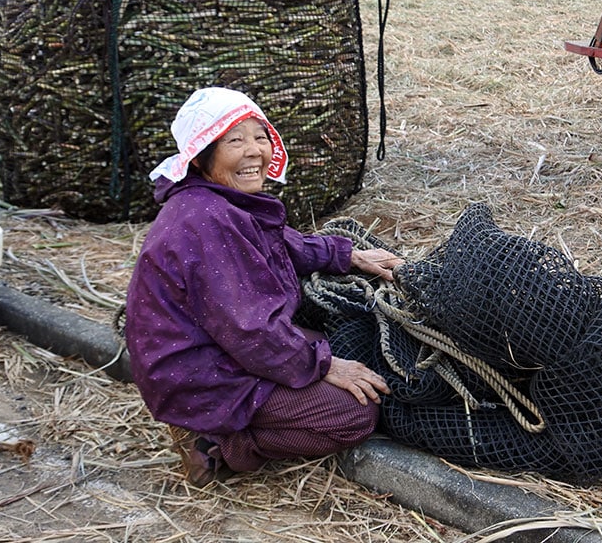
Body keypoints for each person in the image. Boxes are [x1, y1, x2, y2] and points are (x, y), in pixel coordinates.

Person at [124, 87, 403, 486]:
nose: (254, 151)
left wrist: (349, 256)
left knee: (335, 350)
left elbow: (281, 242)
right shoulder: (207, 220)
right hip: (198, 373)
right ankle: (218, 444)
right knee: (352, 414)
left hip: (216, 349)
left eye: (260, 136)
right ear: (201, 156)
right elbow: (250, 330)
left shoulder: (219, 201)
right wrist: (323, 365)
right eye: (235, 140)